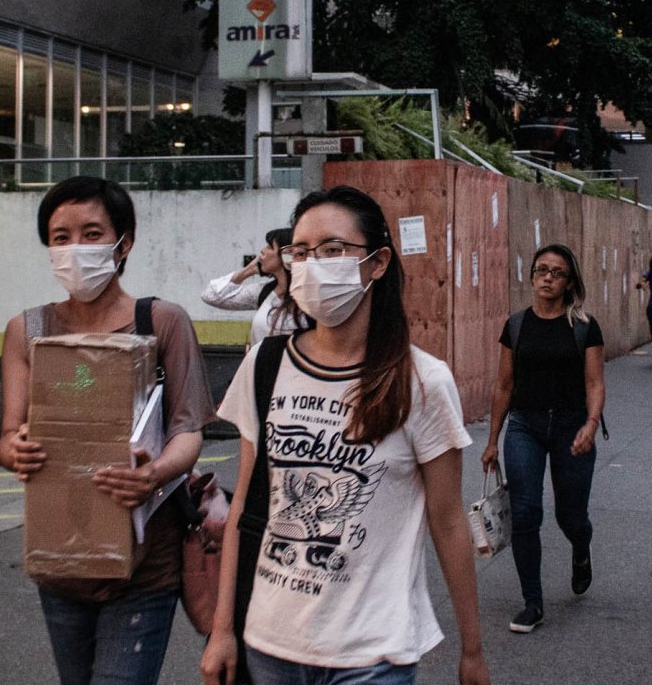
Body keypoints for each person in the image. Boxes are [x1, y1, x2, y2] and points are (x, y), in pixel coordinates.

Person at [201, 186, 489, 685]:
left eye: (333, 250)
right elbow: (247, 505)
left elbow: (447, 523)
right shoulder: (265, 364)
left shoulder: (420, 381)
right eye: (301, 251)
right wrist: (222, 629)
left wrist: (472, 650)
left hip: (372, 653)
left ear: (377, 263)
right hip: (268, 641)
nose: (312, 265)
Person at [0, 176, 217, 685]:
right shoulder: (26, 331)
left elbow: (189, 430)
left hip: (144, 565)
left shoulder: (161, 322)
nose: (75, 249)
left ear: (125, 243)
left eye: (92, 234)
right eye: (60, 237)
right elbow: (9, 434)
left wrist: (155, 473)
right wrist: (16, 450)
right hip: (60, 563)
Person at [483, 244, 607, 634]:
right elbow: (503, 386)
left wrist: (591, 422)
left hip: (572, 427)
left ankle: (581, 545)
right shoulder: (516, 325)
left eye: (557, 272)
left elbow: (594, 382)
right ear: (532, 275)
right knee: (525, 512)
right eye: (542, 270)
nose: (548, 277)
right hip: (525, 427)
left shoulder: (584, 326)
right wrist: (491, 440)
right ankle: (532, 603)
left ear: (569, 282)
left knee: (569, 516)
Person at [201, 227, 303, 347]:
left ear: (287, 256)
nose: (263, 251)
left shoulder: (310, 297)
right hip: (260, 364)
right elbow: (211, 296)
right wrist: (249, 270)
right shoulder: (264, 292)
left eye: (270, 247)